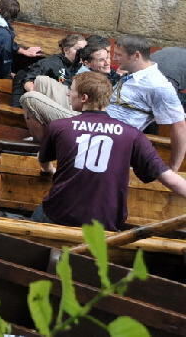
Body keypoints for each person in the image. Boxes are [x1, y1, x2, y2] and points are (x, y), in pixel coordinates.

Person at [34, 72, 186, 230]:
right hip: (106, 224)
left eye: (71, 90)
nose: (68, 93)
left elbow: (43, 160)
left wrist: (49, 169)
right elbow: (169, 178)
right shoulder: (132, 134)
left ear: (84, 98)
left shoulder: (59, 127)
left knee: (42, 211)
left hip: (59, 215)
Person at [107, 35, 186, 170]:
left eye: (119, 55)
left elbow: (179, 126)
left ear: (136, 56)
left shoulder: (158, 85)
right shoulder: (134, 74)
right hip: (96, 129)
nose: (114, 58)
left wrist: (173, 168)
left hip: (112, 139)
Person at [13, 34, 86, 105]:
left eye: (85, 50)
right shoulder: (50, 63)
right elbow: (28, 81)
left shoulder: (79, 66)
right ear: (66, 50)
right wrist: (45, 101)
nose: (82, 53)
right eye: (79, 50)